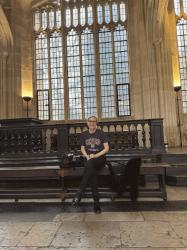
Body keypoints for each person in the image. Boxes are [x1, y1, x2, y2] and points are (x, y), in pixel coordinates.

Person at [72, 116, 109, 213]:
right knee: (92, 174)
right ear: (87, 123)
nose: (92, 123)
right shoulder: (84, 134)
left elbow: (106, 149)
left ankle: (79, 192)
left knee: (89, 165)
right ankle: (97, 204)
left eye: (94, 121)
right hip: (89, 160)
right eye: (90, 121)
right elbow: (82, 148)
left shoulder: (101, 133)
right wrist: (87, 156)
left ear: (96, 123)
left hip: (100, 158)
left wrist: (95, 155)